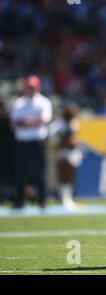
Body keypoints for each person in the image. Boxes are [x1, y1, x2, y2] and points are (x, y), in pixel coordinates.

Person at [10, 75, 52, 209]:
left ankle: (42, 200)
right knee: (20, 172)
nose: (31, 90)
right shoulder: (19, 102)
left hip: (37, 141)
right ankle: (20, 201)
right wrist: (34, 121)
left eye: (33, 87)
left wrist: (25, 122)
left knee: (39, 172)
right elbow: (15, 123)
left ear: (38, 87)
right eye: (29, 87)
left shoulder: (44, 102)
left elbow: (44, 120)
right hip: (22, 142)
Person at [49, 103, 83, 210]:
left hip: (72, 152)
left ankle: (68, 198)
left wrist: (74, 142)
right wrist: (59, 145)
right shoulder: (58, 125)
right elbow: (53, 138)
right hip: (63, 151)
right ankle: (63, 199)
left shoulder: (74, 123)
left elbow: (73, 138)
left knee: (69, 176)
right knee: (64, 176)